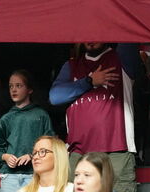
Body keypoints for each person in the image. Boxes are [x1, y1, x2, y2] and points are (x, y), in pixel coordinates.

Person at [49, 43, 138, 192]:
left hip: (117, 149)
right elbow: (55, 97)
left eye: (96, 31)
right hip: (78, 150)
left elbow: (127, 37)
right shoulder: (72, 65)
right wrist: (89, 81)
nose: (91, 39)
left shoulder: (120, 58)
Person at [0, 70, 54, 192]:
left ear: (30, 89)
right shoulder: (6, 119)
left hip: (33, 174)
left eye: (19, 86)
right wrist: (6, 156)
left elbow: (51, 146)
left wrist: (32, 155)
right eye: (11, 86)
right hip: (10, 176)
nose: (13, 90)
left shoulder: (41, 115)